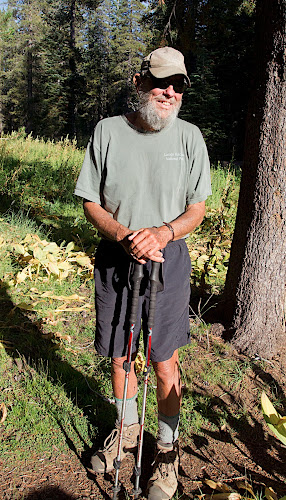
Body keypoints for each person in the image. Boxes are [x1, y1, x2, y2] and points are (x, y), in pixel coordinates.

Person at [74, 46, 212, 500]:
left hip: (167, 259)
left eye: (179, 85)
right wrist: (123, 234)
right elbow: (91, 200)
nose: (170, 92)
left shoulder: (190, 137)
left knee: (163, 359)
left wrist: (163, 232)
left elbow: (198, 208)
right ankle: (127, 430)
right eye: (162, 82)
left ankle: (168, 453)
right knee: (119, 353)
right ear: (138, 82)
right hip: (117, 257)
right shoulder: (107, 131)